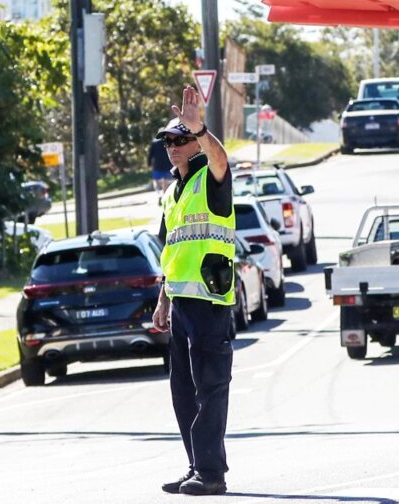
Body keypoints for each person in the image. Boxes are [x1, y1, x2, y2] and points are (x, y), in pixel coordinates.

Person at [151, 86, 236, 496]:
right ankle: (196, 465)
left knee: (210, 388)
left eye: (179, 140)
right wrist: (162, 301)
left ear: (195, 145)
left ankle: (211, 474)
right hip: (181, 302)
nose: (172, 146)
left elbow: (221, 158)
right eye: (168, 141)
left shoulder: (212, 177)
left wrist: (201, 128)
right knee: (183, 391)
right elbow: (171, 250)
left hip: (209, 300)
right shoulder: (171, 194)